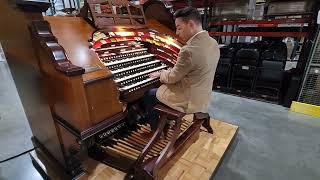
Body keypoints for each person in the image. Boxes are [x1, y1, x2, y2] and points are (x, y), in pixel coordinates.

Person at [143, 7, 220, 135]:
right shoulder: (212, 42)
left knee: (149, 94)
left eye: (179, 28)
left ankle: (156, 130)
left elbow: (172, 77)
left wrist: (161, 73)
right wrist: (174, 71)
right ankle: (165, 121)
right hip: (203, 95)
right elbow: (195, 68)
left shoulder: (188, 50)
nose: (177, 33)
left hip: (188, 99)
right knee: (162, 86)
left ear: (191, 24)